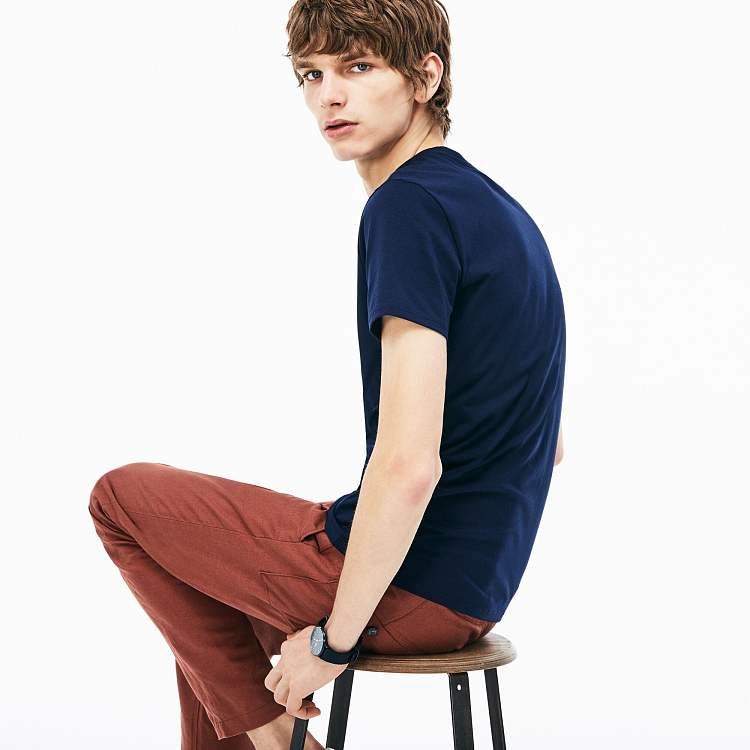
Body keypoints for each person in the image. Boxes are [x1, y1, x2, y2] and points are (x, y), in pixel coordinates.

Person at [88, 2, 565, 748]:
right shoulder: (497, 211)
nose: (328, 97)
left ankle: (284, 741)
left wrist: (330, 644)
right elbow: (548, 443)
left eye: (358, 67)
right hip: (477, 586)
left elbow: (409, 466)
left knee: (121, 499)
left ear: (424, 77)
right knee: (211, 590)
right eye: (311, 75)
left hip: (413, 587)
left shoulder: (408, 207)